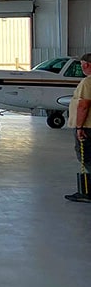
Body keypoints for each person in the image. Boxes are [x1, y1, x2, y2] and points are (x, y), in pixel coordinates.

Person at [64, 53, 91, 203]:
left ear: (86, 65)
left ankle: (88, 193)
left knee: (86, 158)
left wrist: (80, 127)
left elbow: (84, 105)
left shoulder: (87, 82)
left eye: (82, 64)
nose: (81, 67)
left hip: (88, 127)